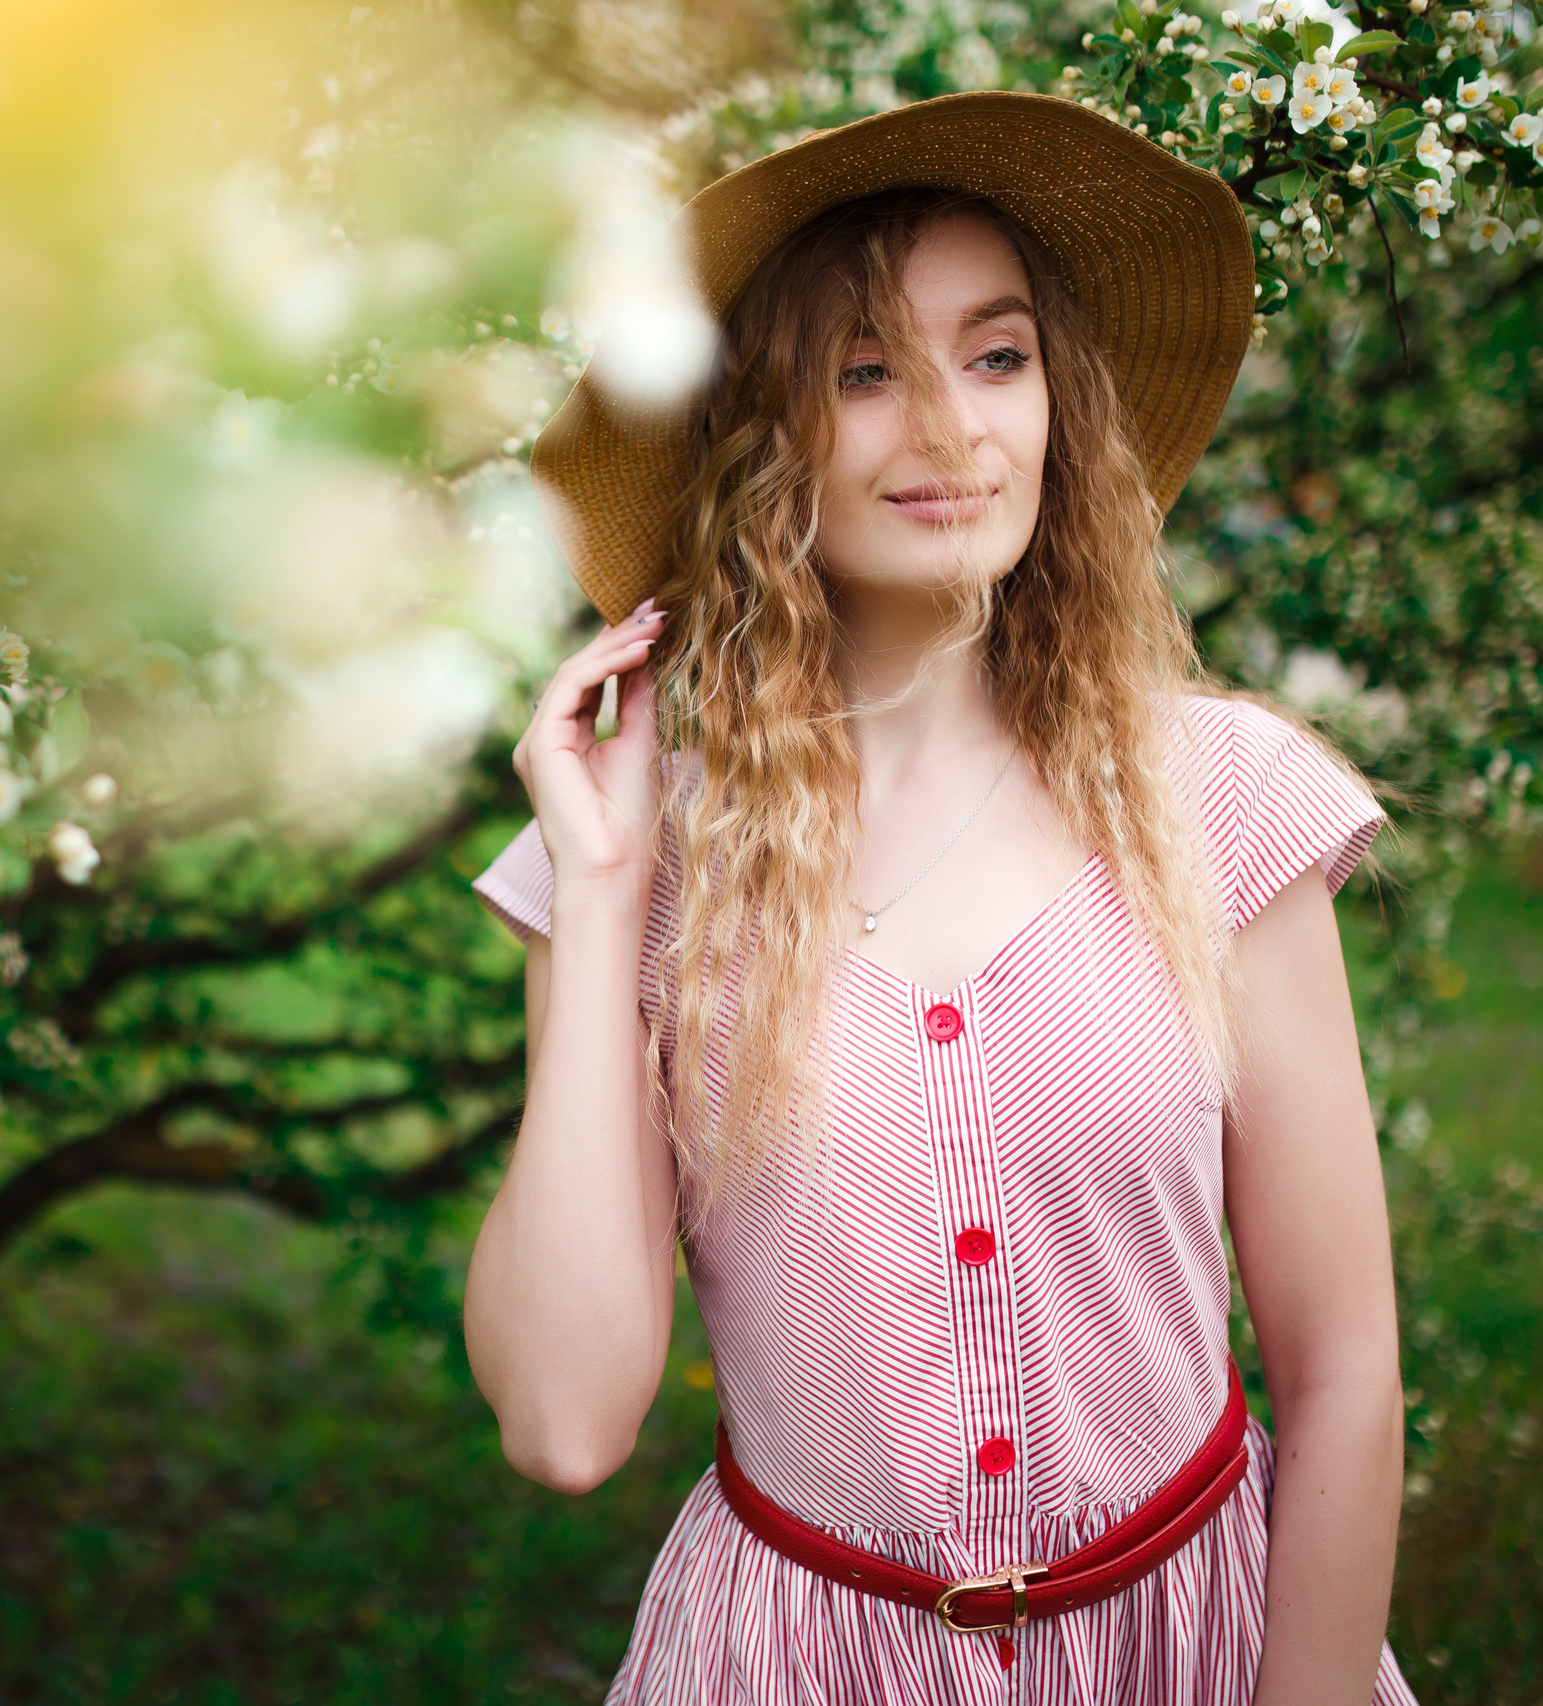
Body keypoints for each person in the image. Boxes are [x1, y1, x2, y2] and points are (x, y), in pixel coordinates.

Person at [462, 91, 1416, 1703]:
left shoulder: (1223, 799)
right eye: (862, 370)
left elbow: (1346, 1369)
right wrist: (610, 886)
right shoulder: (641, 858)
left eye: (998, 354)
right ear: (754, 440)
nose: (956, 427)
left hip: (1196, 1645)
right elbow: (564, 1421)